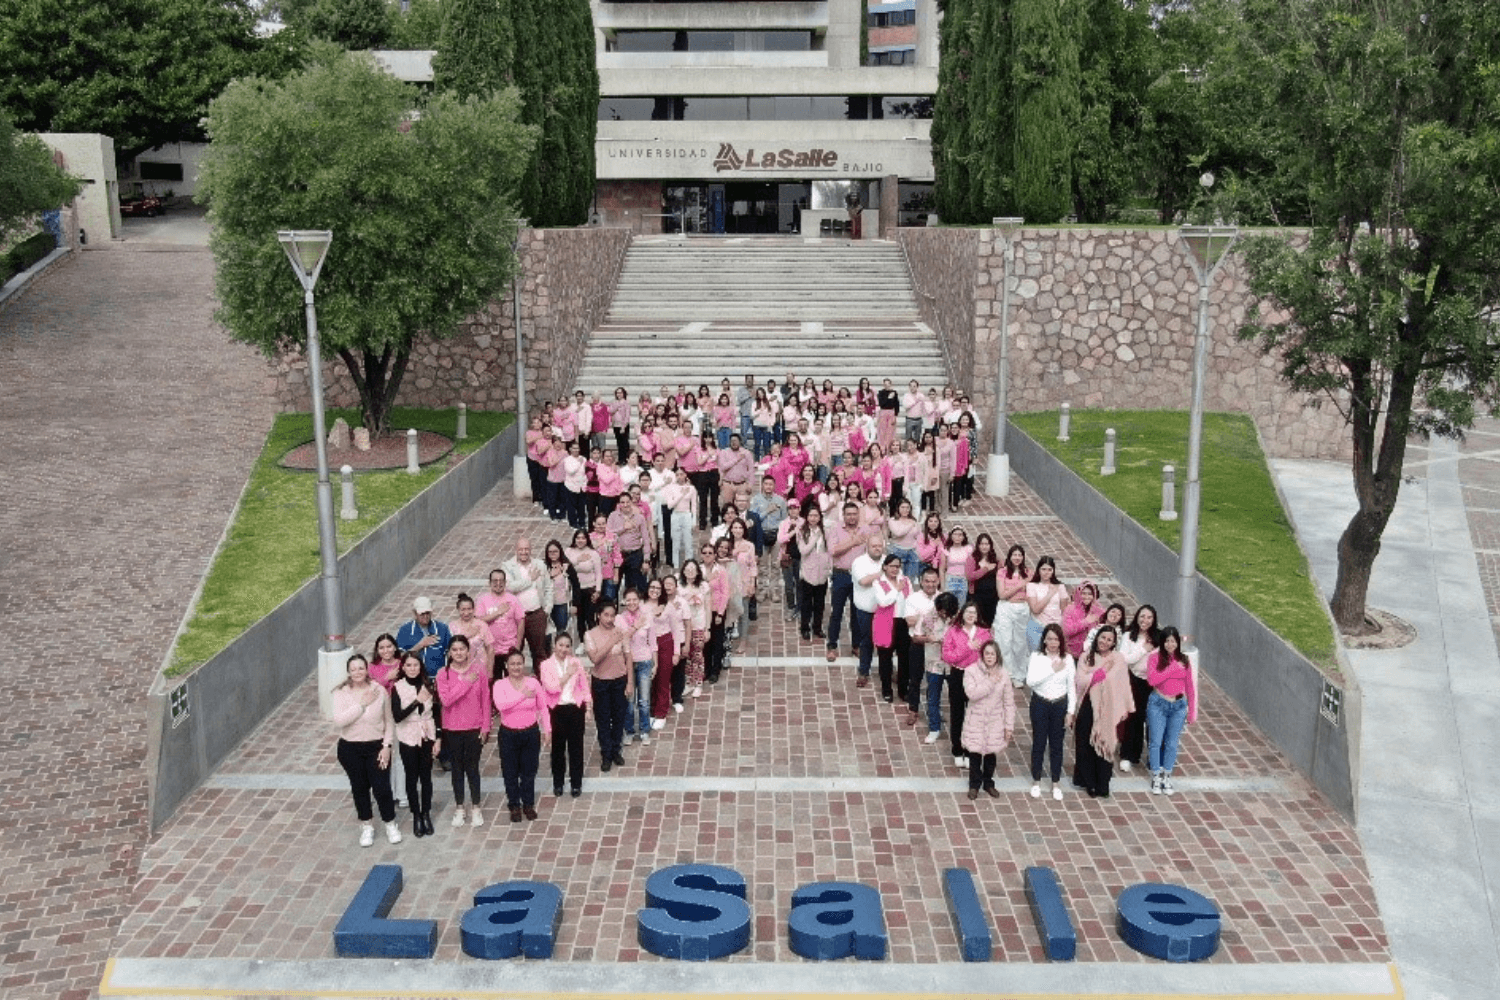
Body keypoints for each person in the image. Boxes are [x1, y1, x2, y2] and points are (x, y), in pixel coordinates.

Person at [331, 653, 401, 847]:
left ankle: (390, 823)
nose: (357, 672)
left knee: (382, 788)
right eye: (353, 669)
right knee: (359, 788)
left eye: (361, 668)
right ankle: (367, 825)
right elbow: (339, 721)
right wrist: (362, 705)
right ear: (348, 672)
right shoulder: (341, 693)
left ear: (367, 669)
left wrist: (387, 746)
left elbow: (389, 721)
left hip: (376, 746)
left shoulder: (379, 690)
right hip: (350, 748)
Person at [436, 635, 490, 827]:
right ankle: (460, 807)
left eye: (462, 649)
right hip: (452, 729)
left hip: (474, 727)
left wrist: (486, 726)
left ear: (468, 651)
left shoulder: (479, 670)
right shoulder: (443, 674)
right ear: (450, 653)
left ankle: (476, 807)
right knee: (457, 769)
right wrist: (466, 682)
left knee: (473, 768)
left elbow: (485, 699)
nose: (458, 653)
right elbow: (446, 700)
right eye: (455, 650)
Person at [492, 649, 551, 822]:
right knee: (510, 772)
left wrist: (547, 729)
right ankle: (514, 805)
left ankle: (528, 803)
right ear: (506, 666)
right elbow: (501, 706)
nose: (516, 667)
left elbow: (542, 707)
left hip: (530, 733)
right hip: (509, 734)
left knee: (529, 771)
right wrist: (522, 696)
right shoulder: (499, 685)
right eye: (512, 664)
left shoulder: (533, 683)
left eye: (519, 663)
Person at [1072, 625, 1130, 798]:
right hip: (1088, 704)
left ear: (1114, 643)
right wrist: (1099, 674)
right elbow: (1080, 680)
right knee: (1086, 743)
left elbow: (1123, 684)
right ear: (1097, 637)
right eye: (1103, 637)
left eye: (1109, 639)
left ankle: (1103, 783)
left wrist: (1124, 707)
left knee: (1106, 742)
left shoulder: (1118, 659)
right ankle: (1088, 782)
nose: (1105, 641)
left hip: (1109, 707)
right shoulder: (1086, 657)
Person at [1026, 623, 1076, 801]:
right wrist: (1052, 670)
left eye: (1056, 639)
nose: (1053, 642)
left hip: (1059, 705)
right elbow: (1031, 681)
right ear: (1044, 640)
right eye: (1050, 639)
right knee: (1039, 742)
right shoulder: (1036, 657)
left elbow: (1071, 687)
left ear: (1060, 641)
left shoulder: (1068, 659)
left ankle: (1056, 782)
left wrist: (1070, 711)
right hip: (1040, 703)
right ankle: (1036, 780)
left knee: (1057, 744)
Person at [391, 652, 439, 836]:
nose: (412, 669)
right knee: (411, 777)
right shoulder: (398, 687)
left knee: (426, 776)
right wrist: (416, 701)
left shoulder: (428, 685)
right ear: (403, 667)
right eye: (409, 665)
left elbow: (436, 712)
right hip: (407, 735)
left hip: (426, 734)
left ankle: (426, 813)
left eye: (416, 665)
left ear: (421, 666)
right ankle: (416, 815)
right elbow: (397, 716)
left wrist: (437, 738)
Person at [1146, 626, 1197, 794]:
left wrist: (1192, 711)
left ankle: (1167, 775)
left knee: (1172, 743)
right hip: (1158, 703)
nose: (1170, 644)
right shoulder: (1154, 658)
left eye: (1173, 641)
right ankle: (1156, 775)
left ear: (1178, 642)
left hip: (1178, 706)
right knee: (1156, 741)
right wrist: (1172, 669)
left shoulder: (1184, 660)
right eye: (1167, 641)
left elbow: (1190, 686)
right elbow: (1152, 680)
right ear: (1162, 642)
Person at [961, 641, 1015, 800]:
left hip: (995, 721)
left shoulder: (1004, 674)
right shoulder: (971, 671)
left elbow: (1009, 702)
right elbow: (972, 694)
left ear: (997, 656)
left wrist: (1009, 726)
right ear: (982, 655)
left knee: (991, 755)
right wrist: (990, 681)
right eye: (987, 653)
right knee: (975, 755)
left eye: (993, 654)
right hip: (976, 719)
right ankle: (974, 785)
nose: (990, 657)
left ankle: (988, 782)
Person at [539, 632, 590, 798]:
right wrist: (567, 674)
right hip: (556, 709)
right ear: (554, 645)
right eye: (560, 645)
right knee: (557, 749)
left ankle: (576, 783)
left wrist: (588, 706)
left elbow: (584, 685)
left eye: (567, 646)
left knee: (576, 747)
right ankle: (558, 782)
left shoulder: (576, 662)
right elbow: (551, 688)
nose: (564, 649)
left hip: (575, 708)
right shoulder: (545, 665)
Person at [940, 602, 991, 767]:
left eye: (974, 613)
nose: (971, 615)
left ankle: (970, 751)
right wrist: (968, 648)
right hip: (958, 675)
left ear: (977, 616)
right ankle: (957, 749)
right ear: (962, 614)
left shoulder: (984, 633)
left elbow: (990, 655)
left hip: (977, 676)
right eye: (968, 612)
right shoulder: (953, 631)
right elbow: (948, 656)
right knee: (957, 714)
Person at [584, 602, 632, 771]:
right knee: (603, 719)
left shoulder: (621, 632)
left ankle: (616, 750)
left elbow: (628, 657)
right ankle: (606, 752)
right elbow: (595, 658)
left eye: (612, 615)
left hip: (619, 680)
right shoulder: (590, 634)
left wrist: (630, 682)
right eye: (606, 615)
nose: (609, 619)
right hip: (601, 682)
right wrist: (611, 641)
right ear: (599, 615)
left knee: (619, 718)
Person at [1118, 604, 1162, 774]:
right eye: (1142, 616)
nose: (1145, 620)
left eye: (1149, 617)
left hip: (1154, 683)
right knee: (1133, 718)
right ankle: (1129, 756)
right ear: (1137, 617)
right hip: (1134, 680)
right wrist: (1144, 649)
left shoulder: (1159, 637)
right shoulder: (1129, 636)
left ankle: (1154, 758)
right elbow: (1125, 659)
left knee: (1153, 720)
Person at [825, 502, 869, 662]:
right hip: (841, 575)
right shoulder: (835, 529)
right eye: (848, 514)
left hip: (859, 576)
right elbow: (833, 551)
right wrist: (853, 542)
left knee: (857, 613)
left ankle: (856, 645)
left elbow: (870, 551)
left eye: (854, 514)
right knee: (836, 612)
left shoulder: (865, 530)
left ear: (858, 515)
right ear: (843, 516)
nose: (851, 517)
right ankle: (832, 646)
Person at [503, 540, 552, 670]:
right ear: (516, 550)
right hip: (515, 617)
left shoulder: (539, 565)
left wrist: (546, 610)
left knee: (539, 652)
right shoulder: (508, 566)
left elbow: (548, 587)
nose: (524, 552)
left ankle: (541, 680)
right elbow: (509, 587)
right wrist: (529, 580)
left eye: (526, 549)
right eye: (521, 549)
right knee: (514, 651)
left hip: (536, 614)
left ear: (531, 550)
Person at [618, 588, 658, 746]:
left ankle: (644, 730)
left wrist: (655, 663)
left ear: (639, 600)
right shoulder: (619, 619)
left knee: (644, 700)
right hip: (627, 663)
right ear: (624, 601)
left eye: (634, 599)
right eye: (628, 600)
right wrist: (635, 626)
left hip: (644, 661)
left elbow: (653, 642)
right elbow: (622, 638)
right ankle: (629, 731)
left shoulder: (647, 617)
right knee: (629, 700)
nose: (631, 602)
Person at [902, 567, 941, 726]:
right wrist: (928, 614)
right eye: (927, 581)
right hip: (918, 643)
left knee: (935, 679)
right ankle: (913, 709)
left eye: (933, 581)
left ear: (938, 581)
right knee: (915, 678)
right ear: (921, 581)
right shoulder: (913, 598)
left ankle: (933, 709)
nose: (930, 585)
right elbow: (910, 622)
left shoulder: (943, 598)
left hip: (936, 646)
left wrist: (920, 614)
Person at [872, 553, 912, 704]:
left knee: (904, 658)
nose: (895, 569)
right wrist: (896, 590)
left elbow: (910, 600)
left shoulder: (905, 580)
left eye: (897, 566)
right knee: (885, 658)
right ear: (885, 567)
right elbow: (883, 601)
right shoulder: (878, 582)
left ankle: (903, 690)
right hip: (885, 623)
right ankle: (886, 690)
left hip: (902, 622)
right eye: (892, 566)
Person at [850, 533, 887, 689]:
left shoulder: (888, 561)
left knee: (886, 643)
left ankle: (886, 671)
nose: (877, 548)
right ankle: (864, 671)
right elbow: (863, 581)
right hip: (866, 610)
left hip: (885, 609)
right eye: (874, 546)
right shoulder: (859, 562)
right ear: (867, 547)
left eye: (879, 546)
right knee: (866, 642)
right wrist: (883, 573)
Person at [922, 592, 960, 744]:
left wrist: (939, 639)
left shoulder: (959, 619)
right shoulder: (929, 617)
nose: (943, 614)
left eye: (946, 612)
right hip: (934, 662)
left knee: (956, 698)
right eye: (941, 611)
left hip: (953, 664)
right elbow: (923, 635)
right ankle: (934, 728)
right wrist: (930, 638)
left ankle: (959, 729)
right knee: (933, 697)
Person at [475, 569, 526, 677]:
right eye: (495, 581)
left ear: (505, 582)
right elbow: (478, 621)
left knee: (512, 679)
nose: (498, 583)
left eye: (501, 580)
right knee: (493, 680)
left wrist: (518, 645)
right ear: (489, 582)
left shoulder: (513, 599)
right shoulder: (482, 599)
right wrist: (498, 612)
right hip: (490, 649)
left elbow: (521, 622)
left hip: (510, 648)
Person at [794, 503, 831, 641]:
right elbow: (803, 550)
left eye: (816, 515)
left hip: (822, 572)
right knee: (806, 603)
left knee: (819, 603)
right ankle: (805, 628)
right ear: (807, 517)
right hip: (808, 572)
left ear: (820, 517)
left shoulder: (825, 531)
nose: (813, 518)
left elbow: (828, 551)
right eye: (811, 515)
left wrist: (828, 566)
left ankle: (817, 627)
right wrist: (814, 539)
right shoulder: (801, 532)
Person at [606, 494, 652, 597]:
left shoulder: (639, 517)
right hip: (618, 555)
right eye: (622, 502)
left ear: (631, 502)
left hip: (635, 554)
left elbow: (646, 539)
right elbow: (608, 534)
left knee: (632, 586)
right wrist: (624, 528)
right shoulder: (613, 516)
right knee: (614, 585)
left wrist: (646, 559)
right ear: (619, 504)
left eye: (628, 502)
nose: (625, 504)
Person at [396, 596, 451, 679]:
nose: (425, 616)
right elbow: (399, 657)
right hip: (414, 679)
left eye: (427, 613)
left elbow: (450, 653)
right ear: (415, 613)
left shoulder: (442, 629)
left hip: (437, 678)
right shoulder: (405, 630)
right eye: (422, 614)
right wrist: (419, 646)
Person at [1025, 556, 1070, 652]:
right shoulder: (1031, 586)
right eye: (1044, 569)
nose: (1046, 572)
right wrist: (1049, 594)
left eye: (1049, 570)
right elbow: (1035, 609)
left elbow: (1064, 610)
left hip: (1056, 628)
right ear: (1038, 570)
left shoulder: (1060, 586)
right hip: (1038, 628)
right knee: (1037, 656)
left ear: (1053, 571)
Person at [448, 592, 495, 679]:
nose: (466, 613)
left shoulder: (482, 625)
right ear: (458, 609)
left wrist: (490, 670)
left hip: (480, 668)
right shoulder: (452, 626)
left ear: (473, 609)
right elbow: (449, 650)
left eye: (469, 609)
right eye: (463, 609)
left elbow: (490, 648)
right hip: (460, 670)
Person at [566, 530, 604, 636]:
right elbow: (565, 567)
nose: (580, 540)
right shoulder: (569, 551)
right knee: (580, 618)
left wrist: (598, 590)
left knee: (590, 617)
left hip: (589, 588)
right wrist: (578, 560)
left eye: (583, 538)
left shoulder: (593, 553)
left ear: (587, 540)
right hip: (575, 590)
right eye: (578, 538)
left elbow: (598, 573)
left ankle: (594, 640)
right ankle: (582, 640)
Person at [543, 540, 579, 642]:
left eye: (555, 551)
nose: (553, 554)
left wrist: (575, 604)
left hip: (561, 603)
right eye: (550, 552)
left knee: (562, 631)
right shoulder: (543, 566)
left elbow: (576, 585)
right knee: (547, 632)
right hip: (546, 605)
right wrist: (551, 575)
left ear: (560, 552)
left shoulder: (567, 566)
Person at [1062, 580, 1105, 660]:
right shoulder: (1070, 609)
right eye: (1084, 593)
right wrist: (1086, 622)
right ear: (1079, 594)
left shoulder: (1098, 611)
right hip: (1072, 653)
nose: (1087, 596)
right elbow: (1066, 631)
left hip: (1092, 653)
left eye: (1090, 594)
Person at [967, 533, 1000, 628]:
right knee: (977, 623)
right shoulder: (972, 559)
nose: (984, 546)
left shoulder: (996, 560)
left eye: (987, 544)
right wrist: (986, 569)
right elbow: (970, 576)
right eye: (982, 544)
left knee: (990, 623)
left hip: (993, 598)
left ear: (990, 546)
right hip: (977, 597)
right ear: (978, 545)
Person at [887, 498, 921, 579]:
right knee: (897, 578)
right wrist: (910, 525)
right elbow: (898, 533)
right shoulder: (893, 520)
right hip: (897, 551)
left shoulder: (913, 520)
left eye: (907, 507)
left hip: (912, 552)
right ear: (898, 508)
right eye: (902, 507)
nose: (905, 510)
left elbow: (918, 535)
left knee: (910, 580)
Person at [943, 527, 973, 606]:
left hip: (963, 579)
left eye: (960, 535)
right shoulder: (947, 550)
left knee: (961, 605)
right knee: (949, 604)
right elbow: (942, 569)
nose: (957, 537)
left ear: (963, 537)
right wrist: (942, 585)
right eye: (955, 534)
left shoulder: (968, 549)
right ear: (951, 536)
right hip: (950, 579)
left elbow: (971, 566)